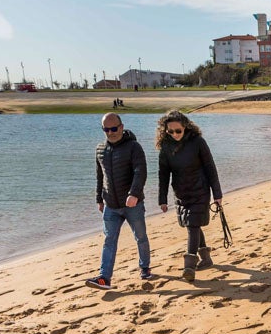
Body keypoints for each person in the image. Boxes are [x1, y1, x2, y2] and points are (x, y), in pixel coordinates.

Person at [86, 112, 151, 290]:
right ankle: (104, 278)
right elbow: (100, 176)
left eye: (114, 128)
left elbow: (141, 172)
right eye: (107, 129)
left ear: (121, 127)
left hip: (133, 205)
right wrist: (99, 198)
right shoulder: (100, 149)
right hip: (110, 206)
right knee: (109, 240)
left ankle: (145, 267)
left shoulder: (134, 147)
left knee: (140, 236)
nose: (111, 132)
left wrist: (134, 194)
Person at [157, 110, 223, 282]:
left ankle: (189, 266)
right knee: (191, 225)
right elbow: (163, 174)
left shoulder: (198, 142)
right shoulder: (165, 146)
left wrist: (217, 194)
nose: (174, 134)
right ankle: (206, 258)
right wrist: (162, 199)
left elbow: (210, 167)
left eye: (178, 130)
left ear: (185, 127)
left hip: (200, 189)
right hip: (181, 192)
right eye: (170, 131)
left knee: (193, 225)